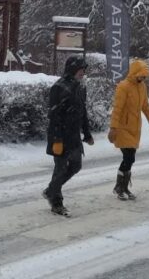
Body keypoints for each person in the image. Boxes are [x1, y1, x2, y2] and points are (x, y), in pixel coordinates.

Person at [44, 56, 94, 217]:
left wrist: (87, 133)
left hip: (73, 136)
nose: (83, 73)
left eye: (84, 70)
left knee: (76, 166)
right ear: (72, 69)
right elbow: (54, 115)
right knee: (59, 169)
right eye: (81, 69)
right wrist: (57, 138)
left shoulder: (79, 87)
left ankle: (51, 190)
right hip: (60, 135)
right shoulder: (59, 87)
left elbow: (82, 112)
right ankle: (56, 202)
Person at [108, 59, 149, 200]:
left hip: (135, 128)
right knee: (129, 157)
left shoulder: (142, 87)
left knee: (130, 159)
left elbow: (145, 106)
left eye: (144, 76)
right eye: (141, 75)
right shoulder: (123, 87)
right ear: (134, 73)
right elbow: (117, 109)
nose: (143, 78)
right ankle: (120, 188)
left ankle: (123, 188)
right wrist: (113, 128)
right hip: (123, 128)